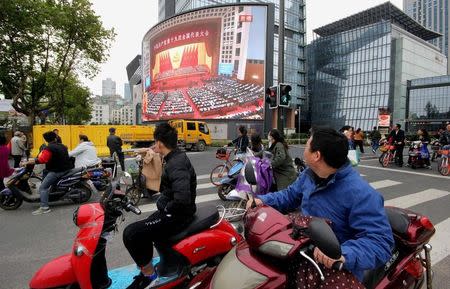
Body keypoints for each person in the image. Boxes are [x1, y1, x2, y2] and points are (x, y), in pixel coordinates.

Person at [247, 127, 394, 283]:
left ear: (317, 155)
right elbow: (289, 195)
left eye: (307, 145)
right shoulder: (309, 175)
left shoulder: (362, 194)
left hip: (336, 271)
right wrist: (262, 200)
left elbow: (381, 243)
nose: (304, 149)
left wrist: (342, 255)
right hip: (303, 254)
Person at [123, 123, 197, 289]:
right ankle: (148, 271)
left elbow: (182, 200)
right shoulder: (172, 158)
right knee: (141, 229)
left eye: (155, 142)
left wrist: (165, 207)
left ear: (160, 143)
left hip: (178, 216)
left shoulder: (176, 163)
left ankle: (150, 276)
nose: (154, 146)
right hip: (173, 211)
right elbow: (167, 187)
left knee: (131, 233)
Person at [23, 131, 73, 215]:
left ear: (46, 140)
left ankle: (44, 207)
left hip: (57, 171)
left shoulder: (49, 148)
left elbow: (42, 159)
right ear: (55, 138)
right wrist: (31, 160)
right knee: (45, 173)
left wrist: (28, 162)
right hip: (67, 168)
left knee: (43, 188)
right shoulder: (62, 146)